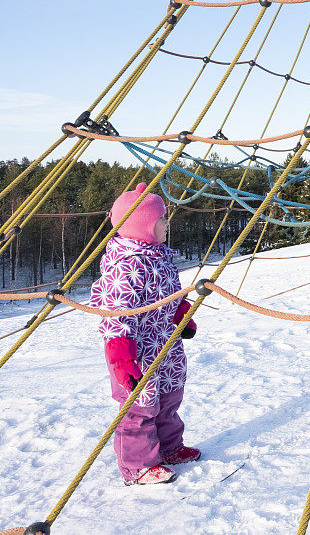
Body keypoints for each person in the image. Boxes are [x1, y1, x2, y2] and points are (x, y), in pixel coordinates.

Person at [89, 183, 200, 485]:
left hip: (165, 344)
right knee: (139, 409)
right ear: (143, 226)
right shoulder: (124, 268)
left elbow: (170, 295)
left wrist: (182, 317)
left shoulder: (159, 256)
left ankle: (168, 447)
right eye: (161, 220)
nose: (167, 224)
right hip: (136, 354)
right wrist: (123, 362)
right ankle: (137, 465)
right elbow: (116, 320)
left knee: (168, 400)